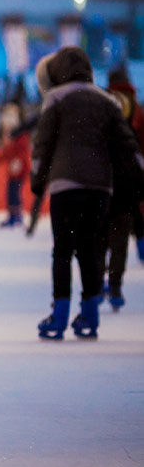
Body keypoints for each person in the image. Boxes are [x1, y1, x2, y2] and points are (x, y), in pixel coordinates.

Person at [32, 47, 143, 341]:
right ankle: (90, 313)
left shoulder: (55, 98)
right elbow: (127, 144)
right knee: (90, 249)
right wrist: (135, 179)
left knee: (63, 250)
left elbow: (43, 143)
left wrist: (37, 179)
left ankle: (59, 314)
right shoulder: (106, 100)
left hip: (65, 184)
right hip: (99, 187)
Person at [100, 67, 144, 309]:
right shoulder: (137, 110)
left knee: (100, 237)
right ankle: (115, 286)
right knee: (119, 239)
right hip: (128, 181)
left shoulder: (103, 105)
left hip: (102, 181)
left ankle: (98, 282)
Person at [0, 102, 30, 229]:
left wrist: (18, 161)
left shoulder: (20, 133)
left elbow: (22, 150)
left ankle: (17, 216)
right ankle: (12, 215)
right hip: (12, 170)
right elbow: (6, 152)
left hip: (19, 170)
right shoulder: (9, 135)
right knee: (10, 192)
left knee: (14, 192)